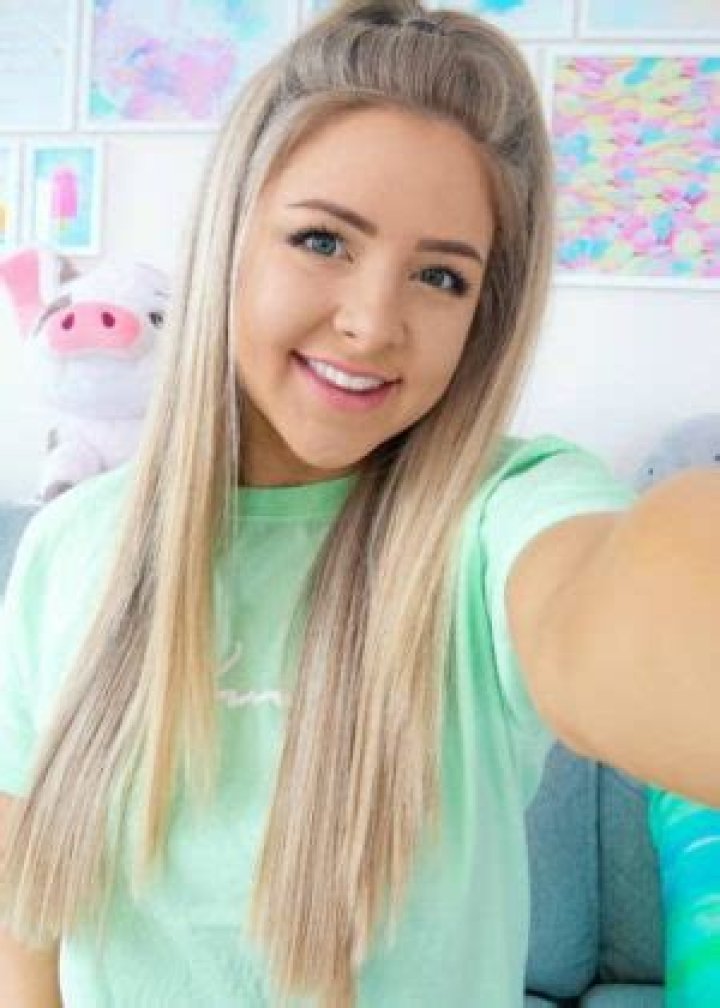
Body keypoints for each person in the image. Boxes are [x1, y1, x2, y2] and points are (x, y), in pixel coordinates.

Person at [1, 2, 719, 1006]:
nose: (374, 322)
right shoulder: (73, 542)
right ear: (230, 238)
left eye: (440, 276)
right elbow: (25, 926)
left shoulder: (496, 518)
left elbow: (607, 613)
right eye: (323, 241)